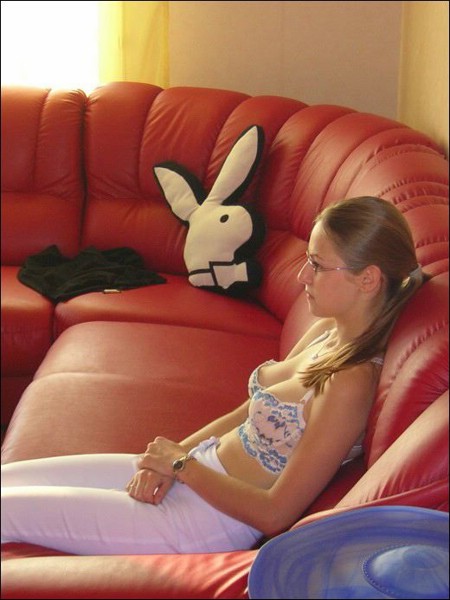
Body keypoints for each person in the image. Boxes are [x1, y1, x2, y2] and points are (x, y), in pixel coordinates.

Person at [1, 196, 426, 555]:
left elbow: (275, 512)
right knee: (8, 479)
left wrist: (181, 465)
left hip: (205, 520)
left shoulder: (350, 383)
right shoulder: (327, 330)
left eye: (317, 265)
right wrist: (175, 455)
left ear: (368, 279)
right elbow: (246, 411)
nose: (302, 276)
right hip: (201, 469)